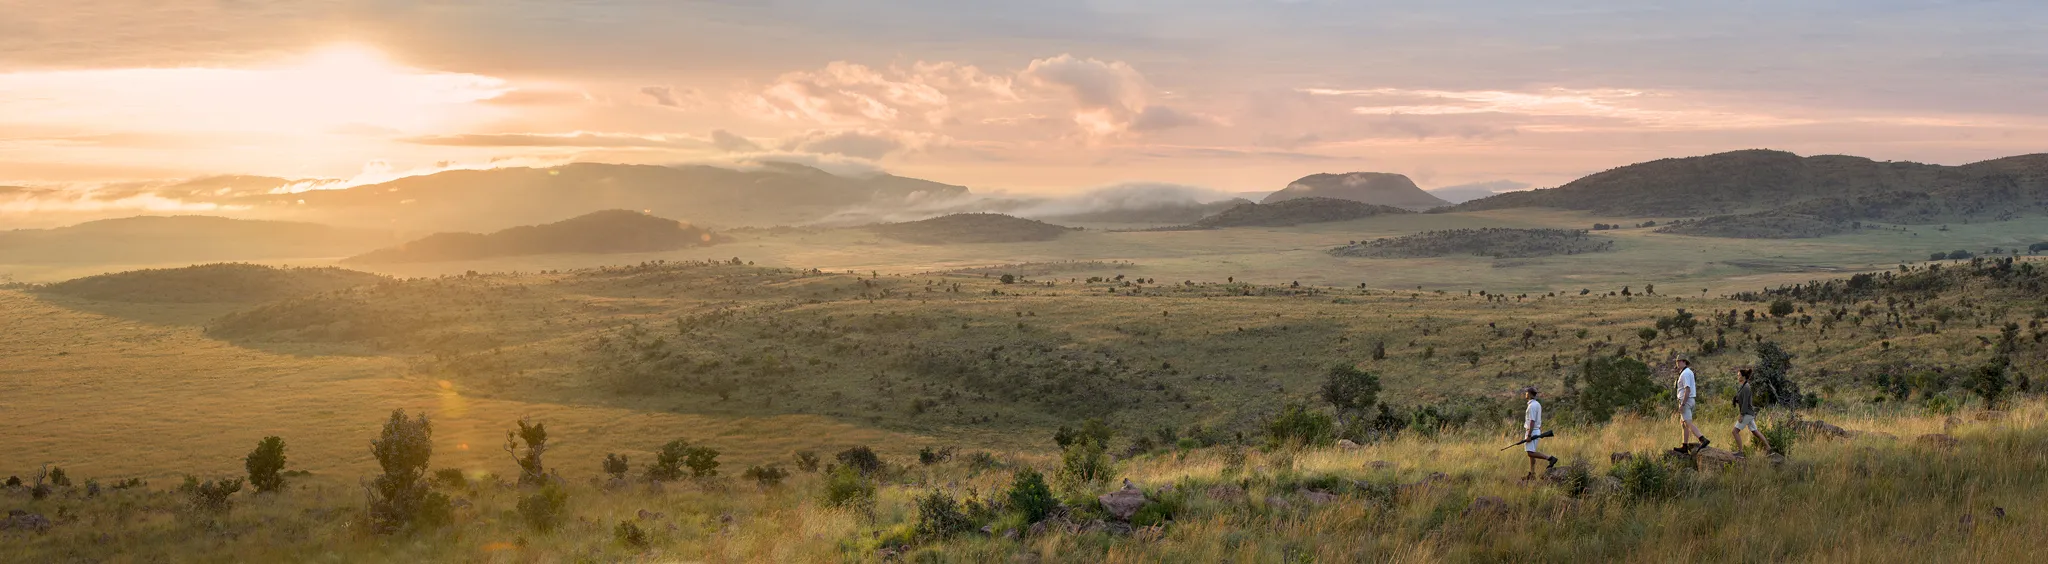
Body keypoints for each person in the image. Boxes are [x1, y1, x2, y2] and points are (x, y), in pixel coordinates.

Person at [1674, 359, 1710, 453]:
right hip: (1690, 400)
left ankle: (1702, 439)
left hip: (1686, 400)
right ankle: (1684, 446)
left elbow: (1687, 390)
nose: (1677, 363)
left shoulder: (1685, 373)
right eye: (1677, 361)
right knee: (1683, 423)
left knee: (1688, 423)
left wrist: (1683, 404)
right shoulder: (1688, 372)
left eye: (1679, 361)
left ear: (1684, 362)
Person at [1522, 386, 1557, 480]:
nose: (1525, 394)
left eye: (1526, 392)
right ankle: (1532, 474)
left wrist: (1529, 435)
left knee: (1530, 453)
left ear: (1529, 394)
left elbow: (1532, 421)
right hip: (1535, 430)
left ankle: (1550, 458)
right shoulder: (1537, 404)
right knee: (1532, 453)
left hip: (1532, 431)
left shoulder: (1531, 406)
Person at [1731, 368, 1766, 451]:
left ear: (1743, 377)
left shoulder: (1746, 387)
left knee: (1735, 432)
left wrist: (1741, 415)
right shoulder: (1744, 386)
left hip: (1747, 413)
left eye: (1739, 375)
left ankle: (1740, 451)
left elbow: (1745, 402)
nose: (1738, 377)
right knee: (1755, 432)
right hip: (1749, 413)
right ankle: (1768, 447)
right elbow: (1743, 399)